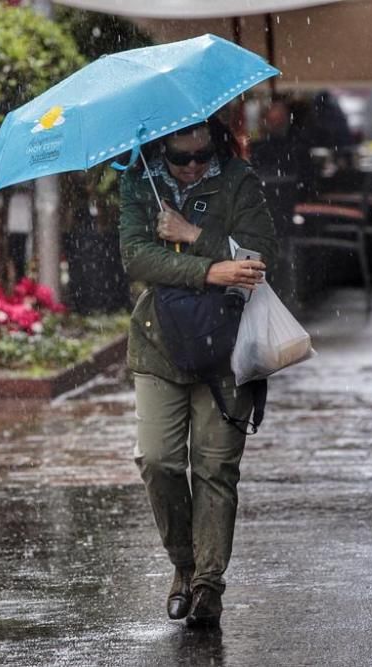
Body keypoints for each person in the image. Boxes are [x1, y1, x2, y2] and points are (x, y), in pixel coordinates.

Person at [118, 116, 278, 627]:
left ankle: (208, 583)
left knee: (216, 466)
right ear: (160, 150)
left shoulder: (239, 181)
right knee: (158, 459)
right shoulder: (138, 182)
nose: (191, 168)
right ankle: (183, 566)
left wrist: (194, 235)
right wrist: (210, 269)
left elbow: (257, 258)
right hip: (159, 345)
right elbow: (136, 257)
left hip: (228, 345)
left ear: (215, 145)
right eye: (179, 159)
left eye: (200, 157)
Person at [250, 99, 314, 201]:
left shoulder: (297, 147)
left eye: (278, 119)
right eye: (273, 120)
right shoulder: (297, 145)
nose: (276, 123)